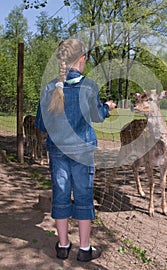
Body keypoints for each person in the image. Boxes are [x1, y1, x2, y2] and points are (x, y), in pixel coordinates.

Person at [35, 39, 116, 262]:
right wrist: (107, 108)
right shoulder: (89, 86)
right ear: (82, 60)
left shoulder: (49, 88)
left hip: (58, 151)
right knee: (83, 195)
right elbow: (97, 116)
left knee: (60, 194)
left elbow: (41, 125)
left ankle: (62, 246)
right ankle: (85, 249)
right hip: (82, 151)